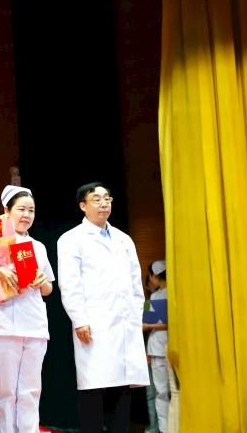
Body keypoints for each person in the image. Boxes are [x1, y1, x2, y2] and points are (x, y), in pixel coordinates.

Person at [57, 182, 149, 433]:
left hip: (125, 322)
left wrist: (135, 315)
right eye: (96, 199)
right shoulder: (71, 239)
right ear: (83, 206)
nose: (104, 203)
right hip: (94, 322)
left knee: (123, 387)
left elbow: (135, 283)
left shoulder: (123, 238)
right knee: (93, 388)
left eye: (107, 198)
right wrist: (79, 319)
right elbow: (70, 284)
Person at [0, 185, 54, 433]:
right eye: (21, 209)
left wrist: (42, 281)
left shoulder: (38, 246)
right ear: (6, 211)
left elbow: (48, 288)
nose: (27, 215)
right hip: (2, 323)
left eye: (31, 210)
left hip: (34, 324)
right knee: (6, 391)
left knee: (30, 390)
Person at [143, 261, 169, 433]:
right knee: (161, 391)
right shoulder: (153, 297)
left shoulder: (168, 293)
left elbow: (146, 324)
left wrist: (148, 325)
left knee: (163, 392)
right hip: (156, 348)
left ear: (154, 276)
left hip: (164, 347)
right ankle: (163, 428)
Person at [143, 274, 160, 433]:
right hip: (152, 350)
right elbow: (145, 329)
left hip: (165, 349)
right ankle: (154, 427)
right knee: (151, 393)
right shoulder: (147, 304)